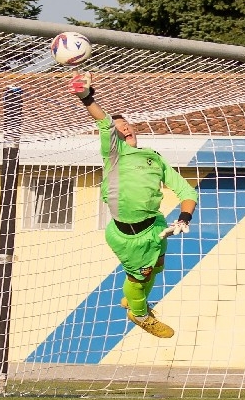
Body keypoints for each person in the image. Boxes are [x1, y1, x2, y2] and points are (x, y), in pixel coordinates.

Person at [69, 72, 198, 338]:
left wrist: (184, 218)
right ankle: (139, 314)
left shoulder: (154, 158)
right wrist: (86, 96)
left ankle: (134, 296)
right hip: (129, 236)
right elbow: (104, 122)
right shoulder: (115, 154)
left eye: (126, 123)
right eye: (118, 126)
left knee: (158, 265)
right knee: (141, 276)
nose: (124, 127)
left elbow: (186, 191)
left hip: (156, 227)